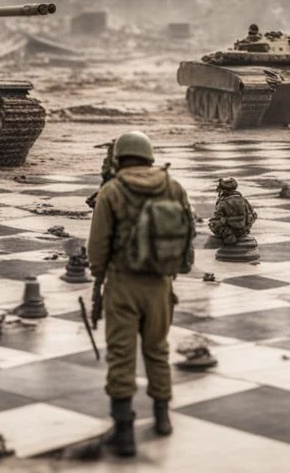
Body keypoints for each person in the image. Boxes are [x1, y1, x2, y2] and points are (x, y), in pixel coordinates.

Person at [88, 131, 195, 458]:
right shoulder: (172, 186)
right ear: (149, 156)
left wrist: (98, 276)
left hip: (123, 283)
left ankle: (124, 431)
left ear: (119, 158)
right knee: (157, 349)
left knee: (121, 354)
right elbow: (189, 230)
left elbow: (98, 245)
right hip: (161, 283)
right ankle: (162, 417)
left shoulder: (112, 191)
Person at [208, 177, 256, 245]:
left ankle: (229, 235)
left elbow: (217, 218)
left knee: (212, 223)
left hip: (230, 230)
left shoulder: (223, 203)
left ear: (224, 190)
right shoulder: (243, 200)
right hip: (243, 230)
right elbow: (253, 215)